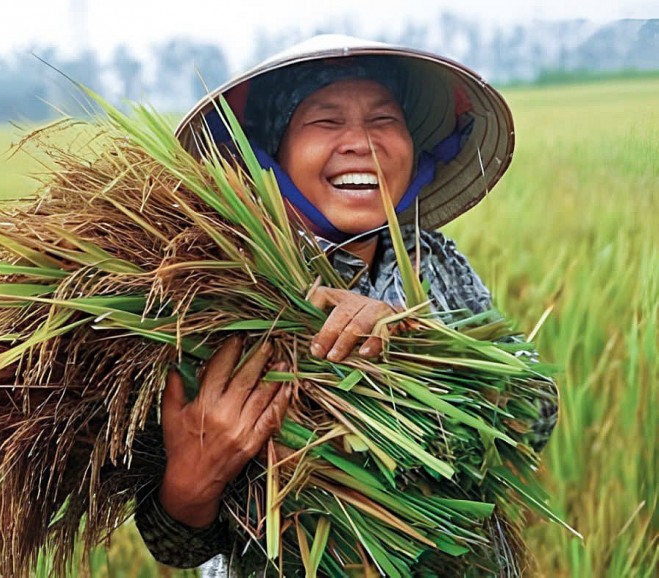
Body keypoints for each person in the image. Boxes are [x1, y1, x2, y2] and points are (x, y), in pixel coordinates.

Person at [134, 35, 557, 577]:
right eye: (325, 121)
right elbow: (177, 545)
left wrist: (417, 339)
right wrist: (193, 484)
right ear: (273, 154)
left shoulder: (436, 262)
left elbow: (535, 413)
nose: (362, 142)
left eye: (384, 120)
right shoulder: (220, 292)